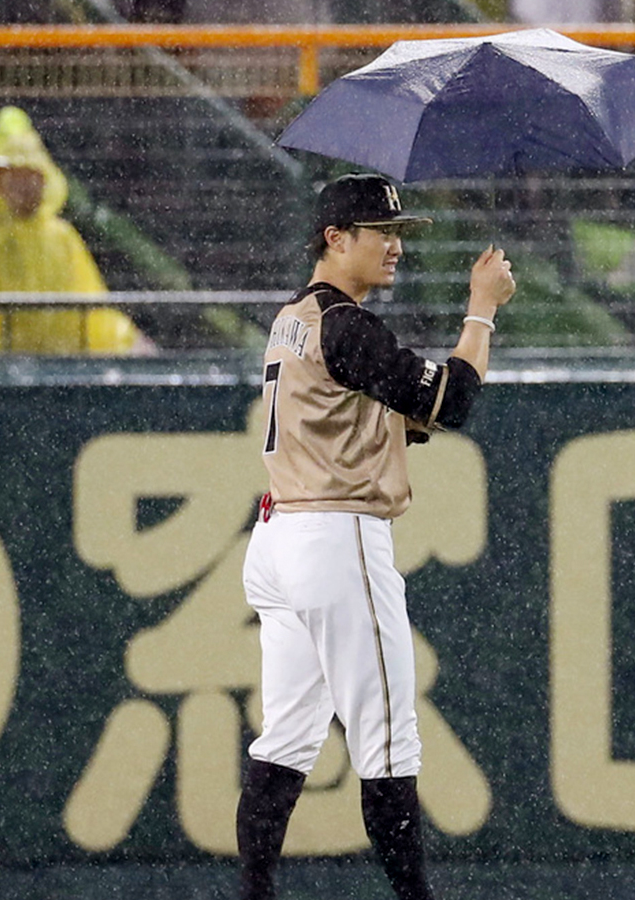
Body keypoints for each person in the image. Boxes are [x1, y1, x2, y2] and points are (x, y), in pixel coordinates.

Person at [237, 173, 516, 900]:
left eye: (398, 233)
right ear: (335, 238)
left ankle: (253, 893)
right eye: (379, 232)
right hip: (335, 537)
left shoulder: (293, 317)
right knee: (389, 743)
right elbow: (451, 403)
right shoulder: (346, 326)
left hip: (280, 537)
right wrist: (481, 310)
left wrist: (463, 351)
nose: (395, 246)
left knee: (286, 739)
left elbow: (413, 414)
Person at [0, 122, 149, 354]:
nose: (24, 185)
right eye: (15, 175)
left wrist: (125, 338)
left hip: (60, 365)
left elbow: (93, 303)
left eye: (30, 175)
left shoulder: (62, 236)